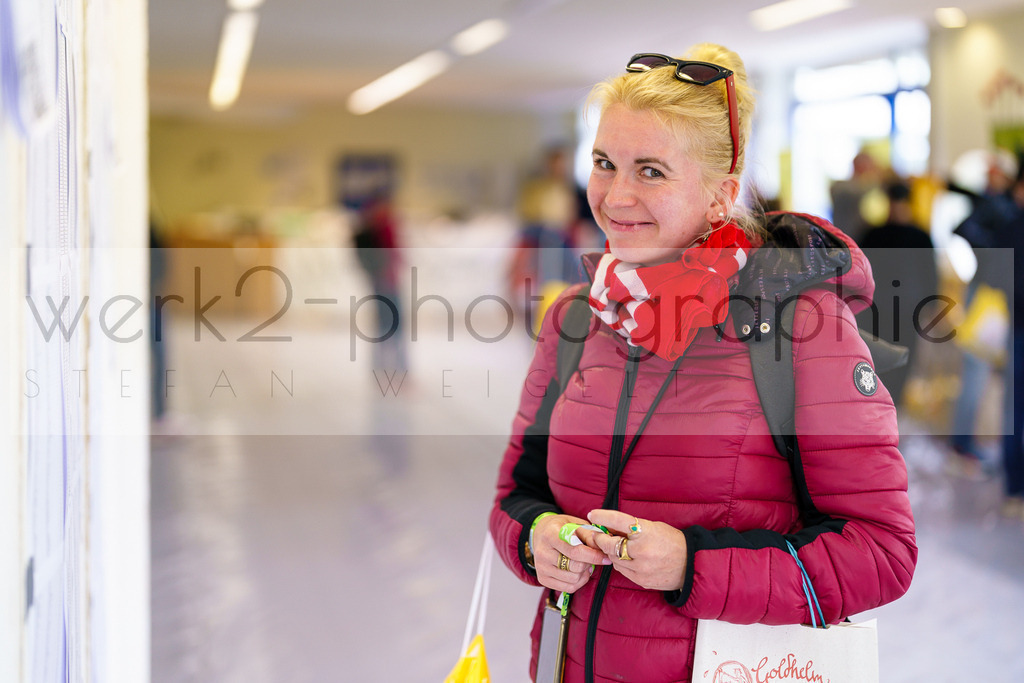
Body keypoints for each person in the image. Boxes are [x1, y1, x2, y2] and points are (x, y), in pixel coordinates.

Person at [489, 44, 917, 682]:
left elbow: (881, 552)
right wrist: (535, 538)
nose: (615, 195)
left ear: (721, 195)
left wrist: (692, 564)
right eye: (604, 163)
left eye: (651, 171)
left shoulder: (803, 327)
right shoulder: (577, 318)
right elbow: (514, 497)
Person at [858, 179, 939, 407]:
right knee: (878, 357)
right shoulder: (874, 234)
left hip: (906, 308)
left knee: (903, 356)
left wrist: (931, 304)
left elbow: (929, 273)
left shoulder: (918, 236)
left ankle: (893, 403)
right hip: (880, 307)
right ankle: (881, 401)